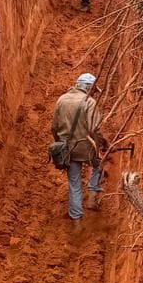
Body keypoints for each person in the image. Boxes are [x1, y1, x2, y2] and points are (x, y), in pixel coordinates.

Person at [51, 72, 108, 221]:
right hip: (86, 147)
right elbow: (94, 129)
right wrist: (103, 143)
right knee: (99, 164)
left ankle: (76, 219)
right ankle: (92, 196)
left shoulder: (61, 100)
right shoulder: (89, 102)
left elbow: (54, 127)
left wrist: (60, 143)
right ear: (89, 88)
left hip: (68, 149)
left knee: (74, 184)